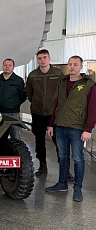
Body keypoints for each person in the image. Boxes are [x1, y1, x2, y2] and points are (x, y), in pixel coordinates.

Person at [45, 55, 96, 202]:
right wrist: (51, 124)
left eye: (75, 64)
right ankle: (62, 184)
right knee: (62, 156)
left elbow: (93, 108)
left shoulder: (89, 85)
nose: (72, 67)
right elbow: (57, 105)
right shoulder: (63, 82)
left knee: (78, 158)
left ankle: (77, 188)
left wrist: (88, 129)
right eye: (70, 64)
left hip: (77, 127)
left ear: (81, 67)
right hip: (60, 126)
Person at [26, 49, 64, 176]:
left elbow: (62, 93)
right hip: (37, 114)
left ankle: (64, 168)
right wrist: (37, 103)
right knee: (39, 140)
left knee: (58, 140)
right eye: (39, 58)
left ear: (49, 58)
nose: (42, 60)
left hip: (54, 114)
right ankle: (42, 165)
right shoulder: (32, 75)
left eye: (44, 57)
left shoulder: (58, 74)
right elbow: (29, 94)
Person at [0, 58, 27, 140]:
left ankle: (16, 153)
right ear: (2, 66)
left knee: (16, 137)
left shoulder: (19, 81)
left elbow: (23, 96)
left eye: (10, 65)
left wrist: (14, 104)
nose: (7, 67)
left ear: (13, 67)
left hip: (13, 114)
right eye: (5, 65)